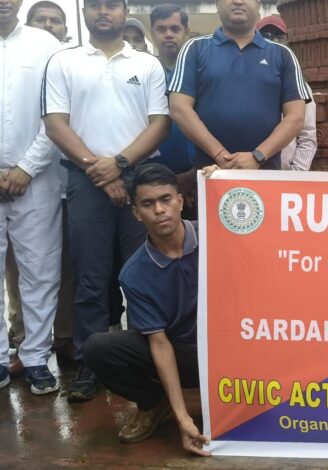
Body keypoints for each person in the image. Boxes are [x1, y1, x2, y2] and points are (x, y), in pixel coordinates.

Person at [43, 0, 170, 402]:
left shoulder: (146, 64)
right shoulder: (64, 61)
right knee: (91, 276)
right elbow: (55, 123)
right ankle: (90, 362)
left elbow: (160, 123)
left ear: (124, 10)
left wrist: (119, 164)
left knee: (144, 274)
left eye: (111, 5)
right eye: (95, 5)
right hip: (85, 179)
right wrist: (99, 169)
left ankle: (143, 359)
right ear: (84, 12)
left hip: (139, 179)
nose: (103, 11)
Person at [83, 163, 207, 455]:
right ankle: (154, 403)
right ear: (137, 213)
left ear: (180, 201)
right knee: (97, 348)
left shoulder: (215, 234)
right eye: (148, 204)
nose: (159, 210)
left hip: (229, 347)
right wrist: (183, 418)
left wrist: (223, 178)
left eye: (166, 199)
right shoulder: (134, 273)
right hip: (182, 354)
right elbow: (160, 344)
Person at [0, 0, 62, 394]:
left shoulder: (44, 45)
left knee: (40, 270)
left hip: (36, 177)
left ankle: (37, 356)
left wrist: (27, 166)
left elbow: (57, 112)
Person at [169, 0, 310, 173]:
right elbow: (179, 109)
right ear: (217, 4)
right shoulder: (194, 49)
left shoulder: (283, 55)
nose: (238, 1)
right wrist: (220, 154)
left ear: (258, 5)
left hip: (265, 173)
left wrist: (257, 156)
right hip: (211, 173)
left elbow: (296, 118)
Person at [149, 4, 196, 214]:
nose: (168, 34)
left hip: (196, 177)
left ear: (186, 31)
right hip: (151, 180)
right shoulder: (143, 74)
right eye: (161, 29)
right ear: (152, 32)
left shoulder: (201, 73)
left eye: (175, 29)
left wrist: (194, 174)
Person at [257, 15, 317, 171]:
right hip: (247, 171)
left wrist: (295, 174)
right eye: (266, 35)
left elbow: (307, 138)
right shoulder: (245, 81)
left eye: (280, 36)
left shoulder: (300, 86)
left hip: (284, 175)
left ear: (287, 41)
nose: (274, 41)